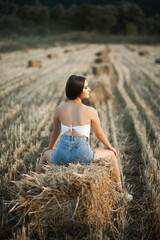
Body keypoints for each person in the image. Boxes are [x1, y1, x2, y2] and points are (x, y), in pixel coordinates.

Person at [37, 75, 123, 192]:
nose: (90, 90)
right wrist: (110, 147)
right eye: (86, 87)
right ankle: (120, 190)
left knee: (45, 155)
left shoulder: (59, 109)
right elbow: (99, 133)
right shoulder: (90, 111)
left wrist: (50, 147)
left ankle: (36, 186)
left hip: (61, 156)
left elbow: (55, 131)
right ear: (78, 90)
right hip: (83, 156)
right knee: (112, 155)